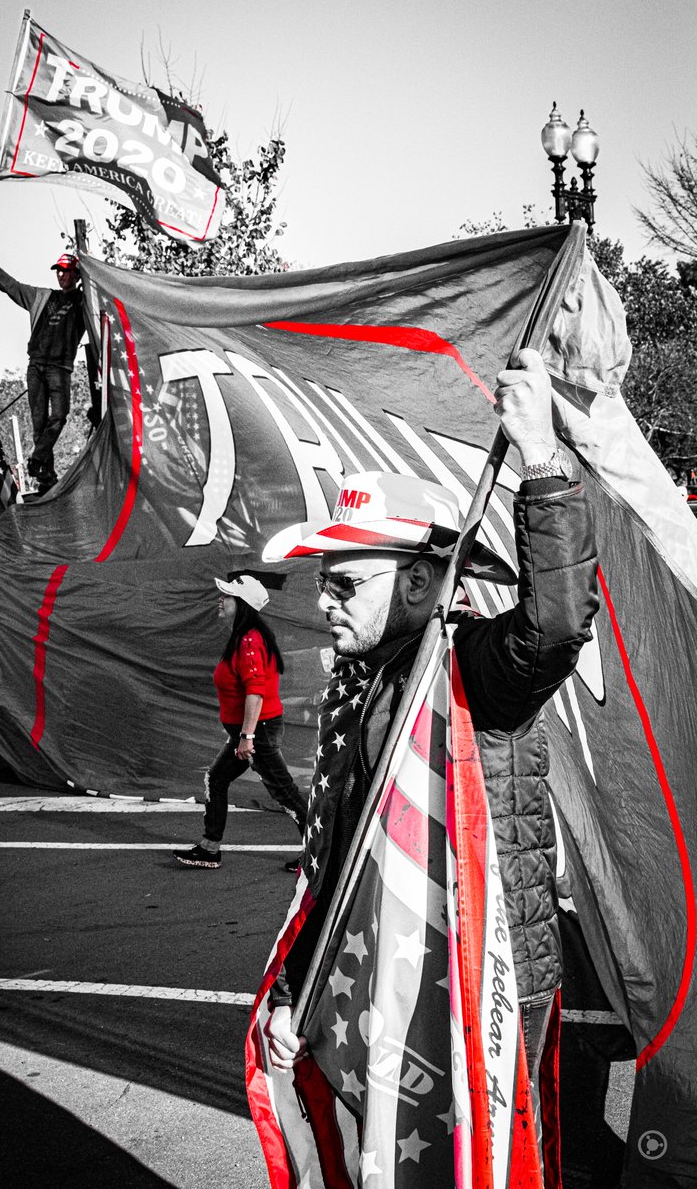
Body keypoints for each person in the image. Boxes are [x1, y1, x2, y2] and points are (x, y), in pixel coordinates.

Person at [260, 349, 599, 1151]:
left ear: (420, 583)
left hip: (489, 983)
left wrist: (543, 460)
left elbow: (555, 623)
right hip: (387, 979)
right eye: (324, 582)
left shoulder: (475, 666)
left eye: (348, 583)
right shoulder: (357, 685)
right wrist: (295, 989)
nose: (325, 602)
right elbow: (337, 860)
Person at [175, 574, 308, 871]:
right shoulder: (244, 638)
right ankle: (210, 849)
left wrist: (246, 736)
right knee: (216, 779)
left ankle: (320, 856)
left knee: (285, 793)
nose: (221, 600)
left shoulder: (249, 640)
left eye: (228, 596)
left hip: (256, 731)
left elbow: (256, 692)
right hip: (248, 732)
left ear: (243, 604)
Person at [0, 244, 86, 492]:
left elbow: (99, 289)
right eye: (58, 271)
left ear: (77, 275)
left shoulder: (83, 300)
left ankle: (37, 459)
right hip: (36, 366)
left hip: (60, 368)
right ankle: (46, 476)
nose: (61, 275)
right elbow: (10, 286)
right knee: (39, 423)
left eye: (66, 271)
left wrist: (87, 265)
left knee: (59, 415)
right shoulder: (43, 297)